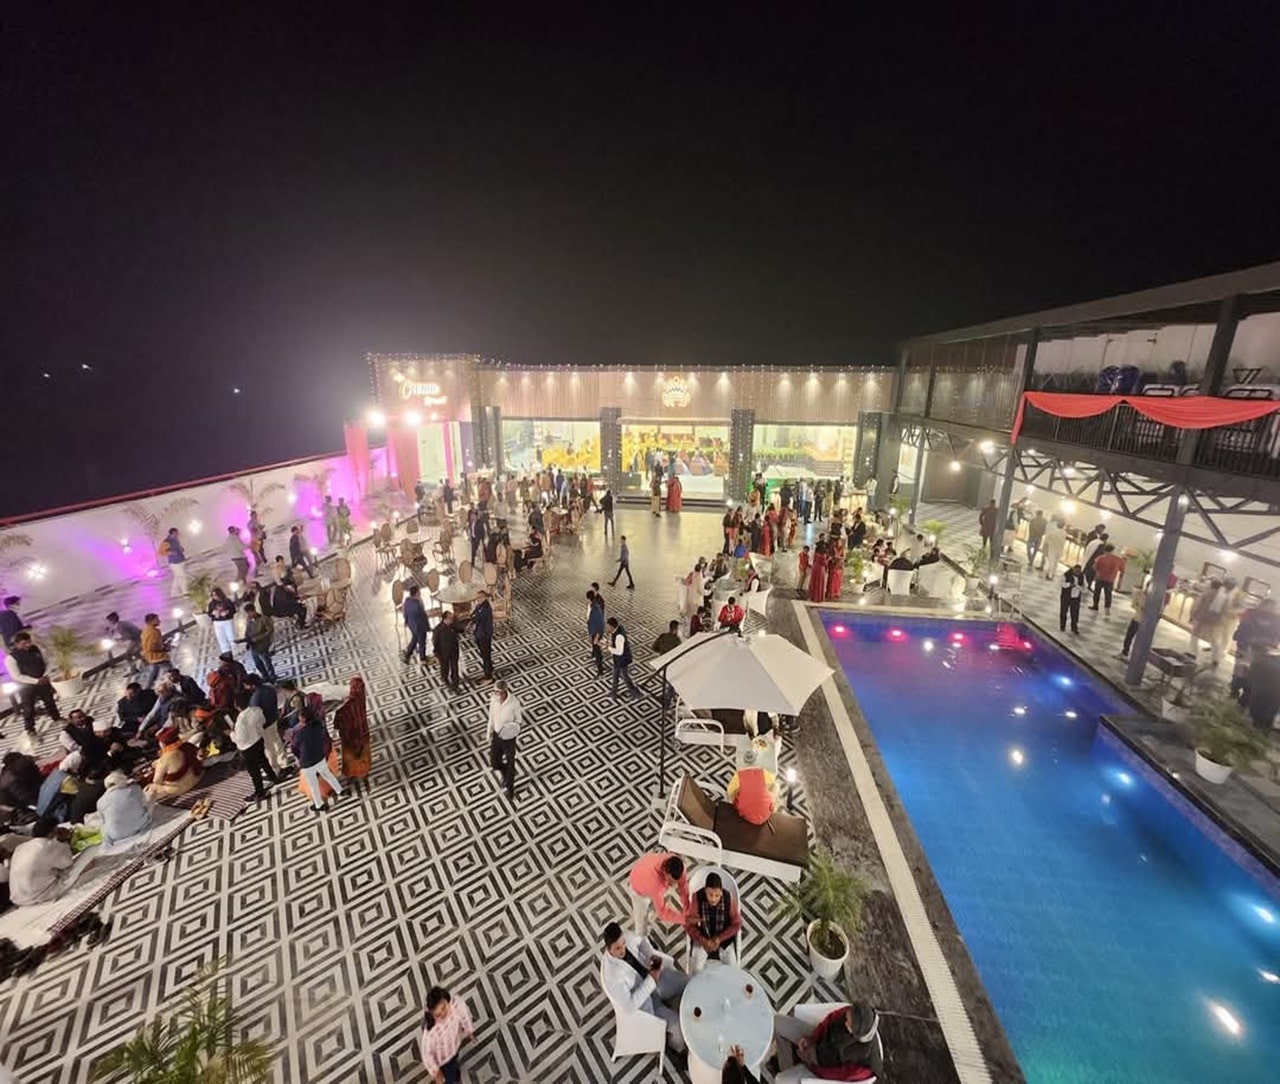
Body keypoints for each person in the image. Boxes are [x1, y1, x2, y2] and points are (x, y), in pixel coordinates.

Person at [599, 922, 688, 1066]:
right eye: (618, 948)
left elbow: (641, 941)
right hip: (647, 1003)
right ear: (608, 949)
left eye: (623, 944)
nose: (623, 950)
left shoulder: (625, 937)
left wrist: (651, 955)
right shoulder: (612, 976)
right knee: (678, 1027)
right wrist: (651, 980)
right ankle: (677, 1050)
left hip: (657, 980)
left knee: (686, 981)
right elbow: (629, 1007)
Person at [772, 1002, 884, 1083]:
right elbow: (828, 1020)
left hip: (821, 1070)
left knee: (781, 1080)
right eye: (846, 1018)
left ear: (856, 1034)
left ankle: (789, 1064)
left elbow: (833, 1075)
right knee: (777, 1022)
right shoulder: (851, 1011)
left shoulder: (862, 1067)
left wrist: (809, 1060)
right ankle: (785, 1063)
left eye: (849, 1025)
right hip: (820, 1043)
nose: (845, 1024)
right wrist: (811, 1039)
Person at [4, 631, 62, 743]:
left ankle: (57, 718)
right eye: (24, 643)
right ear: (17, 644)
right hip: (27, 687)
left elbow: (47, 662)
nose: (28, 645)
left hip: (43, 681)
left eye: (28, 642)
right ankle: (31, 730)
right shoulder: (11, 658)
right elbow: (16, 676)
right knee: (28, 709)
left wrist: (45, 675)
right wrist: (35, 681)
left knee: (49, 701)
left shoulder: (35, 649)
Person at [289, 704, 344, 813]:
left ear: (303, 719)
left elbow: (294, 748)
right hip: (320, 757)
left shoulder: (299, 734)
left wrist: (299, 758)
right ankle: (339, 790)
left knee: (313, 784)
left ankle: (319, 805)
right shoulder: (318, 726)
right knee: (328, 774)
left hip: (307, 763)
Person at [8, 819, 75, 907]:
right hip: (38, 896)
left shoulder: (21, 847)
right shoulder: (47, 845)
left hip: (18, 899)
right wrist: (65, 840)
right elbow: (68, 862)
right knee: (81, 861)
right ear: (54, 831)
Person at [685, 871, 742, 973]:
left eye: (717, 895)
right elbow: (688, 924)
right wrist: (702, 940)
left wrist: (720, 938)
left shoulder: (728, 898)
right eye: (710, 894)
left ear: (721, 892)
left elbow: (737, 923)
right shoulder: (697, 897)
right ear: (705, 891)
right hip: (703, 936)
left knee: (732, 968)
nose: (713, 899)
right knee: (696, 968)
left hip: (724, 938)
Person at [418, 985, 475, 1084]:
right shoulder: (431, 1033)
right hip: (442, 1059)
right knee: (449, 1075)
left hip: (455, 1045)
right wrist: (436, 1073)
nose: (443, 1014)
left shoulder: (455, 1004)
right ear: (432, 1014)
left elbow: (464, 1015)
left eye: (444, 1007)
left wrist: (469, 1030)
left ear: (446, 998)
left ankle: (455, 1072)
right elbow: (427, 1055)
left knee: (455, 1059)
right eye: (438, 1014)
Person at [232, 692, 280, 803]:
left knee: (254, 771)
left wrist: (231, 734)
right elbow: (262, 722)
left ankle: (260, 792)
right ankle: (273, 777)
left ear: (237, 705)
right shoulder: (257, 710)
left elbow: (240, 739)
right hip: (258, 740)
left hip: (248, 747)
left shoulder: (240, 720)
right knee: (263, 760)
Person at [628, 851, 689, 935]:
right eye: (670, 881)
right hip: (637, 887)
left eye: (675, 882)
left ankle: (651, 911)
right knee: (641, 923)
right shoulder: (656, 884)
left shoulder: (681, 867)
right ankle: (641, 938)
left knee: (655, 902)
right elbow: (662, 913)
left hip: (646, 865)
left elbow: (683, 888)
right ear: (664, 871)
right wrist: (685, 919)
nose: (672, 885)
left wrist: (687, 909)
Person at [244, 673, 291, 774]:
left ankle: (276, 768)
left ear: (252, 685)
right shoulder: (269, 687)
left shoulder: (255, 698)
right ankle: (284, 762)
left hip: (264, 725)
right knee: (277, 741)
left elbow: (254, 714)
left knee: (268, 748)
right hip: (273, 718)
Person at [97, 770, 153, 845]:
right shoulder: (134, 789)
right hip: (140, 826)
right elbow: (144, 802)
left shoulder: (100, 801)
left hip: (116, 835)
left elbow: (104, 820)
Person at [146, 726, 202, 800]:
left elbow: (157, 781)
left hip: (179, 789)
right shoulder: (188, 745)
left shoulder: (164, 759)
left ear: (163, 743)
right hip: (196, 779)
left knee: (150, 788)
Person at [488, 680, 522, 801]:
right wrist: (489, 733)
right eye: (495, 692)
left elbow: (518, 720)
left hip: (509, 737)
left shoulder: (514, 703)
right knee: (494, 762)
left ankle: (510, 788)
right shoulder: (493, 700)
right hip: (497, 735)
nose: (495, 694)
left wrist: (510, 730)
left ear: (504, 692)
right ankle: (505, 771)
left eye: (497, 692)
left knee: (510, 762)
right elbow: (491, 717)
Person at [726, 756, 776, 826]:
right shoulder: (764, 772)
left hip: (745, 814)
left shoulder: (739, 775)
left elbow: (729, 793)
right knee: (775, 787)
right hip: (766, 813)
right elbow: (773, 784)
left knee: (735, 794)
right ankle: (772, 806)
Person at [240, 603, 277, 682]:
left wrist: (257, 639)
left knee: (267, 662)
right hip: (253, 646)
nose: (248, 615)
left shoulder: (264, 619)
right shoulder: (249, 620)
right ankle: (265, 676)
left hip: (262, 645)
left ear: (254, 611)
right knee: (258, 663)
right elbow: (247, 630)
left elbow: (270, 631)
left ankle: (272, 677)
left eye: (249, 613)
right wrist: (246, 640)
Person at [608, 616, 640, 699]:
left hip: (622, 660)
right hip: (618, 659)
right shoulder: (617, 630)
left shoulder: (619, 636)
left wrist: (609, 648)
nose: (607, 628)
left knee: (625, 677)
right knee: (615, 676)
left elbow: (619, 652)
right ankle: (613, 692)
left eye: (608, 626)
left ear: (612, 626)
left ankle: (636, 693)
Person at [1090, 544, 1126, 616]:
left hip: (1100, 578)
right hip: (1110, 580)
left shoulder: (1100, 558)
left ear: (1105, 550)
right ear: (1113, 551)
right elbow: (1122, 570)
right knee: (1108, 595)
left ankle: (1095, 605)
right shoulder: (1118, 560)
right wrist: (1120, 580)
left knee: (1097, 592)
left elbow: (1094, 567)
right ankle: (1107, 610)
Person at [652, 620, 681, 708]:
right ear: (676, 629)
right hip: (672, 664)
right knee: (671, 682)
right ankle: (668, 700)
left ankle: (669, 696)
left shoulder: (663, 636)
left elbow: (654, 647)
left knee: (666, 681)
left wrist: (662, 651)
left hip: (663, 662)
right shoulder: (677, 640)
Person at [432, 611, 461, 691]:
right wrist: (437, 655)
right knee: (445, 667)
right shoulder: (438, 630)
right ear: (445, 619)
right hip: (444, 653)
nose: (452, 620)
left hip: (454, 650)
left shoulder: (453, 625)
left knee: (455, 667)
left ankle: (455, 683)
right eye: (450, 618)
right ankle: (445, 679)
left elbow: (459, 629)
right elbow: (435, 643)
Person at [1119, 580, 1148, 659]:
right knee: (1129, 636)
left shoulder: (1156, 599)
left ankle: (1137, 656)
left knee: (1141, 640)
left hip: (1146, 622)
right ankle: (1125, 652)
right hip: (1137, 618)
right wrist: (1140, 608)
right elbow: (1134, 605)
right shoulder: (1140, 594)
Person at [139, 612, 170, 689]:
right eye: (157, 619)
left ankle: (147, 689)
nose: (159, 621)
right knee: (170, 671)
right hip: (158, 657)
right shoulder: (152, 632)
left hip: (150, 657)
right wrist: (163, 648)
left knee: (153, 674)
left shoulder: (146, 631)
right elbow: (151, 646)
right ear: (151, 621)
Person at [207, 586, 238, 656]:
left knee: (231, 636)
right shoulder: (212, 604)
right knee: (221, 638)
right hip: (217, 622)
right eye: (212, 595)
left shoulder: (227, 601)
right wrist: (213, 613)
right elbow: (209, 613)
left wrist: (227, 612)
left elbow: (233, 610)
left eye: (215, 595)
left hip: (227, 621)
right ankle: (226, 651)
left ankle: (235, 651)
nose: (214, 597)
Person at [403, 584, 430, 664]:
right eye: (419, 591)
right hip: (419, 626)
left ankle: (407, 655)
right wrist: (427, 627)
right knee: (422, 641)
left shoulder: (407, 601)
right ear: (417, 593)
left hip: (411, 624)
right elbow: (423, 616)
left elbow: (405, 612)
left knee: (414, 639)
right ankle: (423, 658)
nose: (420, 593)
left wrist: (406, 621)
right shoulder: (418, 603)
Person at [471, 589, 495, 681]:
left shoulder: (486, 608)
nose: (477, 599)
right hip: (480, 634)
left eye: (479, 597)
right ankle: (489, 670)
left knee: (486, 656)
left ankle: (488, 676)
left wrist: (471, 618)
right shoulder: (480, 606)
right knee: (484, 654)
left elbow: (476, 618)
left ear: (484, 597)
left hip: (484, 635)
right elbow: (473, 614)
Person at [1060, 564, 1084, 635]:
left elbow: (1085, 587)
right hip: (1066, 596)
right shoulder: (1066, 575)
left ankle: (1074, 627)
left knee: (1075, 613)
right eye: (1076, 571)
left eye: (1079, 572)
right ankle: (1062, 625)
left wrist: (1078, 587)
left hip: (1076, 597)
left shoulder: (1082, 576)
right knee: (1063, 611)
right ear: (1073, 570)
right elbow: (1061, 583)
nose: (1077, 573)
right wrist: (1069, 585)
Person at [587, 589, 606, 676]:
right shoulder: (593, 606)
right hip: (594, 633)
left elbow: (600, 624)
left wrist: (596, 637)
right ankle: (596, 658)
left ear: (589, 599)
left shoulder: (596, 609)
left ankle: (600, 671)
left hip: (596, 634)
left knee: (597, 651)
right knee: (596, 649)